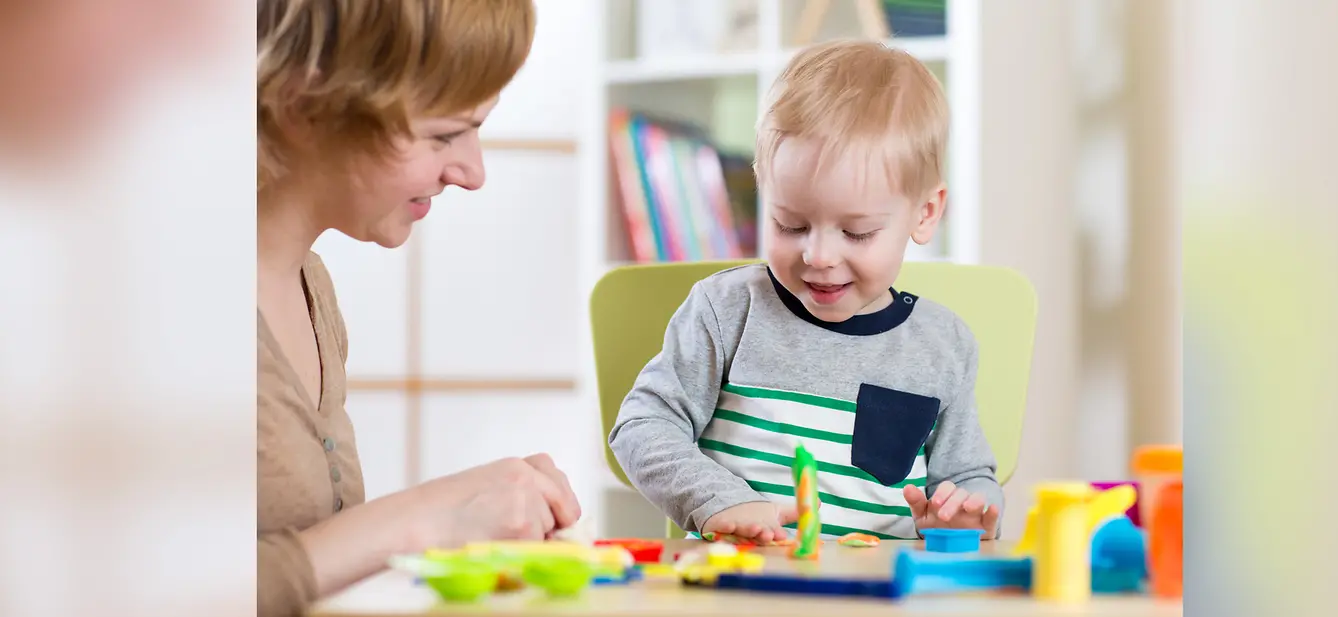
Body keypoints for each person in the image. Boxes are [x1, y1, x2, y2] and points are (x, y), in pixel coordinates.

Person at [608, 40, 1003, 544]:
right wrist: (719, 500)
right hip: (738, 586)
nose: (818, 255)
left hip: (880, 596)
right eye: (789, 224)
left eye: (856, 232)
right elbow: (642, 426)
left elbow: (968, 477)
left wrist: (969, 512)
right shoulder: (727, 311)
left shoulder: (942, 344)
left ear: (924, 213)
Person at [256, 1, 580, 616]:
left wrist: (466, 512)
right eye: (444, 135)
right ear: (303, 106)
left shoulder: (309, 287)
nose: (472, 172)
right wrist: (420, 520)